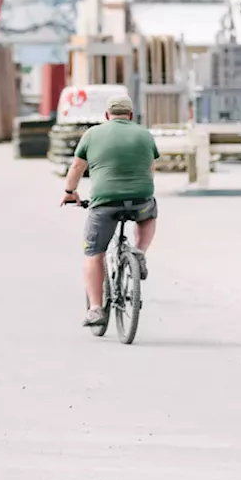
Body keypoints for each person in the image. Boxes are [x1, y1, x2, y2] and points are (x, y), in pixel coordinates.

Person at [61, 94, 159, 327]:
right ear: (131, 115)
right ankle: (139, 252)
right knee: (149, 212)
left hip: (105, 203)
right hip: (140, 199)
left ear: (106, 116)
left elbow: (77, 166)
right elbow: (150, 167)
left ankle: (95, 309)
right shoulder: (144, 134)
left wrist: (69, 191)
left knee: (94, 253)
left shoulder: (92, 134)